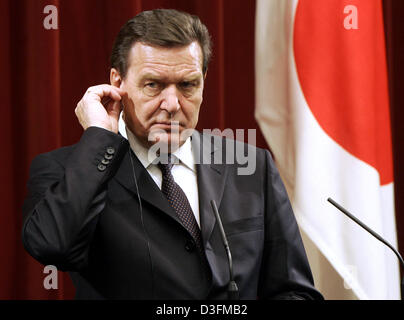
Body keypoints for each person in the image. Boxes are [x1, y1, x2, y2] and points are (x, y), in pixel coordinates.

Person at [22, 9, 323, 300]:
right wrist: (99, 138)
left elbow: (294, 291)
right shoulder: (69, 169)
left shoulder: (251, 166)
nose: (172, 104)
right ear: (117, 83)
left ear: (204, 81)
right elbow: (53, 246)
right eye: (153, 85)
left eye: (187, 85)